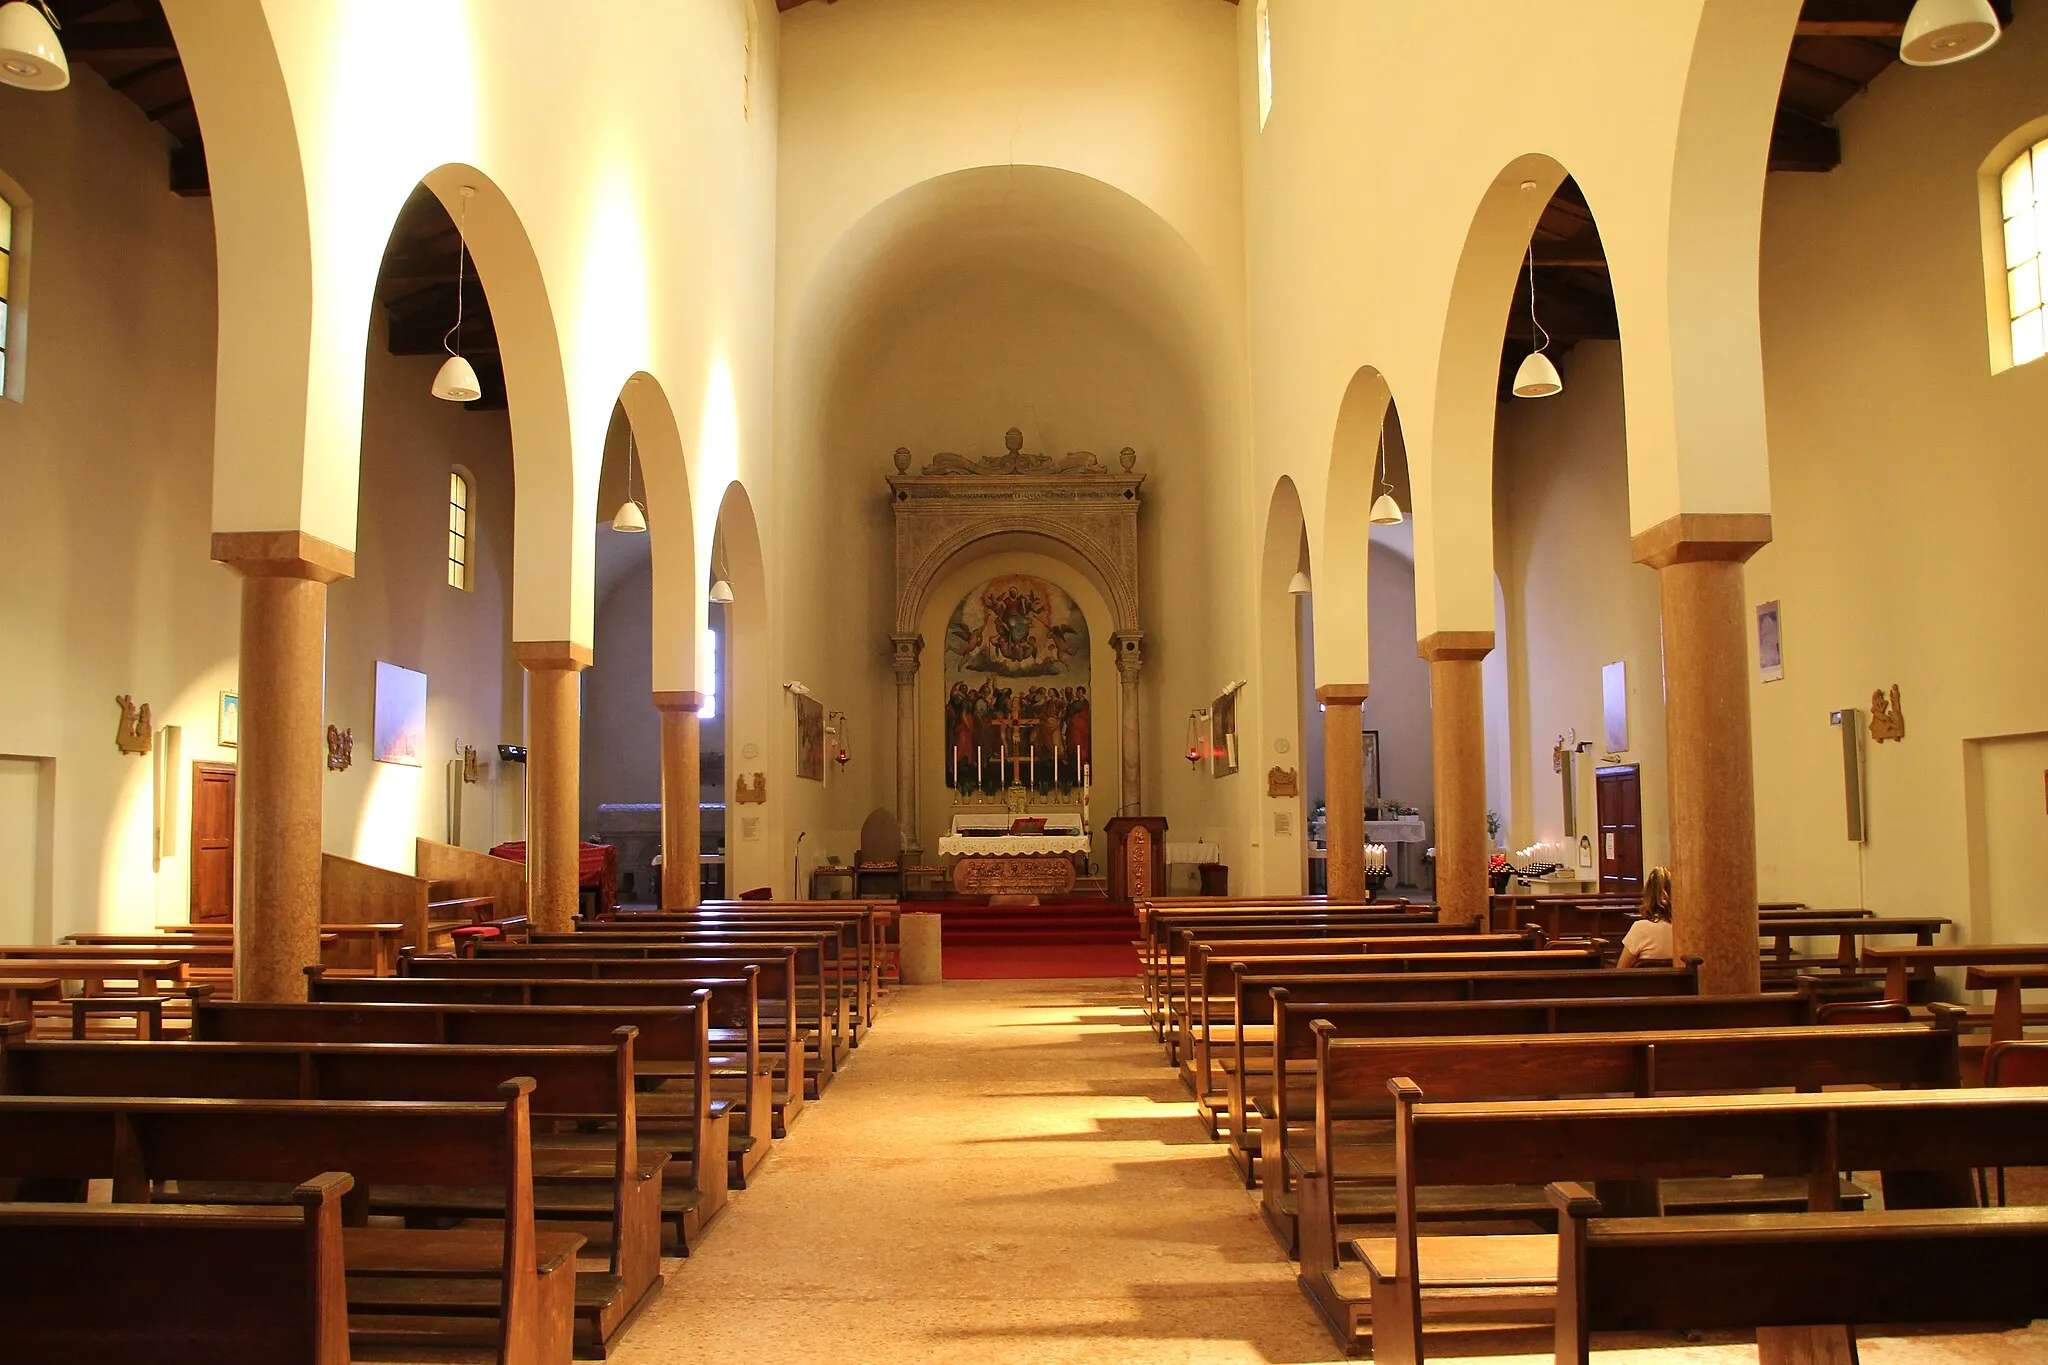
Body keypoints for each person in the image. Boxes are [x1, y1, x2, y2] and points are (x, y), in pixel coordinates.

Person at [1616, 866, 1674, 968]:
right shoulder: (1684, 931)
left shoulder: (1640, 929)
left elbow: (1621, 970)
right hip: (1678, 984)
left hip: (1645, 984)